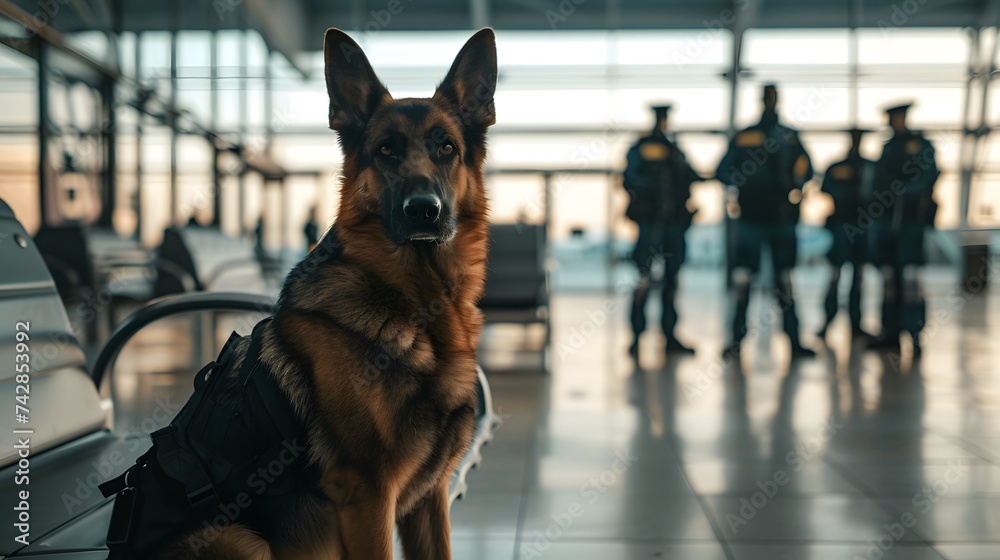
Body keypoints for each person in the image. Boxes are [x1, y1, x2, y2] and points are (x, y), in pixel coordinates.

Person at [716, 84, 815, 358]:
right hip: (752, 218)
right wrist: (746, 183)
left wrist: (793, 185)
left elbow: (807, 168)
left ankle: (793, 341)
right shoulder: (748, 136)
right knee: (743, 280)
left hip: (779, 218)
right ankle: (736, 340)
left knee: (784, 280)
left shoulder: (787, 135)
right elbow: (722, 170)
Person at [622, 104, 701, 357]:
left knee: (671, 282)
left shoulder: (673, 150)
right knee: (644, 280)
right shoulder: (644, 148)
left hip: (673, 224)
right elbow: (630, 179)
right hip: (651, 223)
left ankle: (669, 334)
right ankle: (637, 335)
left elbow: (689, 176)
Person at [868, 103, 939, 353]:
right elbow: (878, 181)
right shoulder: (888, 148)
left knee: (909, 280)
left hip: (910, 221)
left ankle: (914, 333)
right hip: (888, 222)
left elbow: (930, 175)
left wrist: (908, 191)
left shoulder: (920, 145)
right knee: (889, 278)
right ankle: (891, 333)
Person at [818, 128, 876, 340]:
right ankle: (828, 320)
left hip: (860, 227)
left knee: (857, 278)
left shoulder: (868, 167)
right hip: (844, 225)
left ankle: (855, 323)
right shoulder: (840, 167)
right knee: (835, 276)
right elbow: (827, 190)